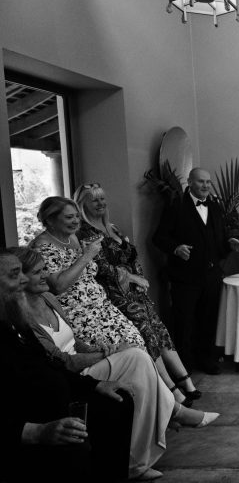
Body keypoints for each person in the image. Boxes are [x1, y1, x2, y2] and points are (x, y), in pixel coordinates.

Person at [11, 247, 219, 481]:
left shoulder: (48, 298)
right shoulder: (22, 318)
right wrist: (104, 355)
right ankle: (162, 425)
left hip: (84, 361)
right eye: (38, 272)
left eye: (45, 269)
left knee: (137, 359)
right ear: (20, 278)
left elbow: (74, 341)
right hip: (73, 374)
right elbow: (62, 362)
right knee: (136, 357)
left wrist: (100, 350)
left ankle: (140, 453)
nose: (46, 275)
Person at [0, 249, 133, 483]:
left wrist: (94, 385)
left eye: (22, 272)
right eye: (14, 275)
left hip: (63, 395)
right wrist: (36, 431)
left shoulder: (15, 320)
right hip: (36, 419)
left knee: (119, 400)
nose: (23, 280)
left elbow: (49, 363)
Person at [73, 183, 201, 405]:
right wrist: (132, 278)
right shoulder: (84, 233)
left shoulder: (112, 227)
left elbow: (132, 256)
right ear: (82, 204)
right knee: (145, 333)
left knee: (159, 329)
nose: (100, 203)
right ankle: (170, 389)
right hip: (113, 294)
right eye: (94, 200)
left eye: (102, 198)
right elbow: (100, 266)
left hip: (135, 291)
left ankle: (184, 379)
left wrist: (140, 279)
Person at [153, 167, 239, 374]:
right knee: (184, 323)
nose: (205, 186)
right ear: (190, 182)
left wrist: (230, 242)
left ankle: (206, 360)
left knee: (208, 320)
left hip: (211, 276)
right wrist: (176, 248)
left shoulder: (215, 207)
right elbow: (158, 237)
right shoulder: (176, 206)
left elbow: (219, 238)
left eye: (208, 182)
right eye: (201, 181)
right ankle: (184, 367)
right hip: (185, 277)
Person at [29, 197, 146, 349]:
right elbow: (58, 286)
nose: (76, 221)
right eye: (69, 217)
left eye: (77, 216)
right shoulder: (41, 246)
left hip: (102, 307)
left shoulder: (72, 237)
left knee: (137, 342)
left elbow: (87, 273)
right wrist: (87, 256)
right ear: (50, 220)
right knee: (124, 350)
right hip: (78, 314)